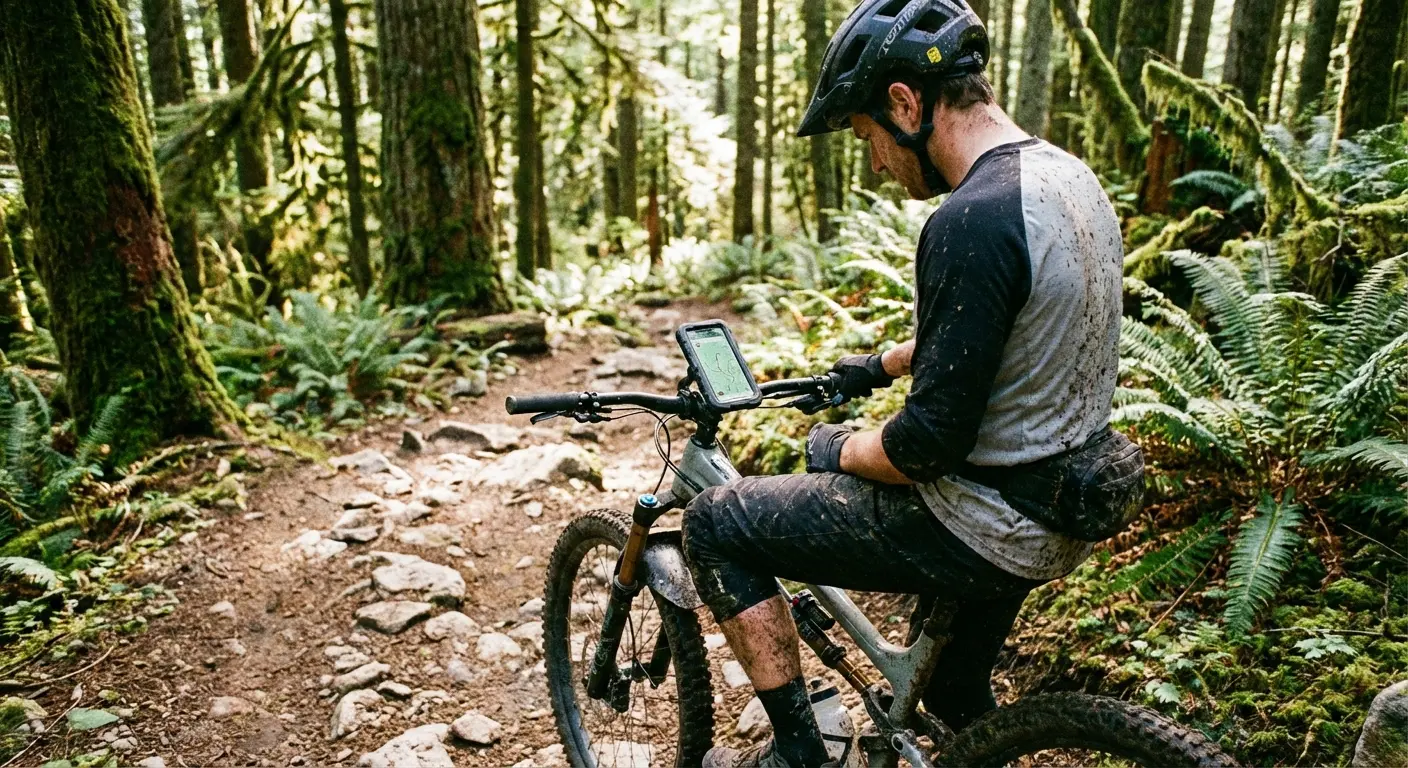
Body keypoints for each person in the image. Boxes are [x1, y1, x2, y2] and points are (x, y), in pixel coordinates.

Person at [680, 0, 1142, 765]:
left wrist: (835, 447)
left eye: (867, 136)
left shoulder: (969, 220)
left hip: (983, 523)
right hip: (1067, 503)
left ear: (904, 103)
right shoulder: (1064, 178)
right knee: (952, 695)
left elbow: (922, 448)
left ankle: (798, 750)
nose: (874, 162)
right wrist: (884, 364)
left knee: (716, 522)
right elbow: (1015, 321)